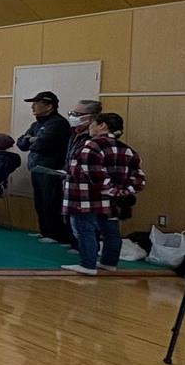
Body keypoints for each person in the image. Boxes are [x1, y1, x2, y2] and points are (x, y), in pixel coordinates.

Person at [61, 112, 145, 275]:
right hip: (112, 200)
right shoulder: (127, 149)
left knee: (85, 230)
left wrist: (111, 190)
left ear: (102, 126)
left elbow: (96, 177)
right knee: (111, 231)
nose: (90, 128)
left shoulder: (90, 147)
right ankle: (109, 262)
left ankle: (87, 264)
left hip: (86, 197)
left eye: (92, 124)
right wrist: (122, 192)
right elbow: (139, 179)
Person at [16, 91, 73, 244]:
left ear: (49, 106)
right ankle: (45, 231)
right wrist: (32, 140)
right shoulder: (36, 124)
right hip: (37, 168)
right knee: (40, 201)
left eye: (37, 103)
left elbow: (44, 144)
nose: (33, 107)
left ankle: (56, 234)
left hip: (52, 169)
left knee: (51, 201)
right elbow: (21, 143)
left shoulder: (58, 123)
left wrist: (32, 140)